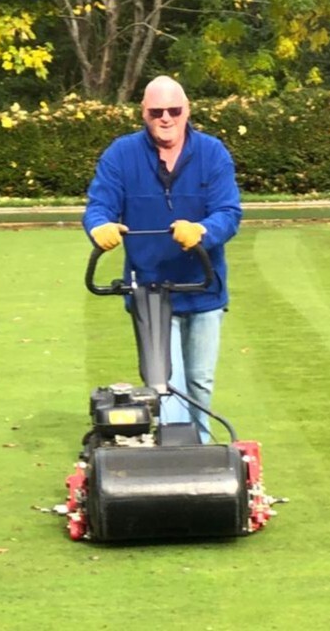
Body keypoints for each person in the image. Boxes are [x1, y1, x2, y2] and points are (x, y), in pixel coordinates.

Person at [82, 75, 242, 442]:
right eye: (157, 111)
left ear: (187, 111)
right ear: (144, 113)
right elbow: (100, 205)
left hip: (203, 285)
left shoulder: (212, 153)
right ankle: (175, 453)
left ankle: (199, 454)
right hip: (149, 289)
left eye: (174, 110)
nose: (166, 118)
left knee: (199, 382)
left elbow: (228, 213)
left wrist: (202, 231)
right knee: (165, 383)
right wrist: (100, 227)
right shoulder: (121, 155)